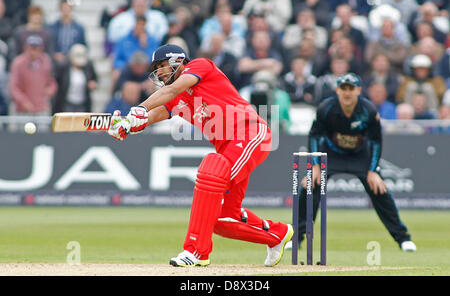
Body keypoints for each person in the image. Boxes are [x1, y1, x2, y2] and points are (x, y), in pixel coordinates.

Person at [107, 44, 293, 267]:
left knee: (211, 174)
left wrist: (140, 108)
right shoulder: (176, 97)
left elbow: (168, 93)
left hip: (250, 132)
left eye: (162, 66)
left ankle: (196, 251)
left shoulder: (200, 66)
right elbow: (156, 113)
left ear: (178, 61)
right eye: (156, 69)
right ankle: (277, 234)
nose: (159, 73)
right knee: (222, 219)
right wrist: (128, 123)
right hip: (227, 148)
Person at [286, 73, 416, 252]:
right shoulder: (326, 108)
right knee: (310, 187)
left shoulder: (368, 111)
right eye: (344, 89)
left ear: (358, 90)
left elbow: (376, 141)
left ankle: (403, 239)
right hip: (330, 153)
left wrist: (373, 171)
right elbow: (315, 135)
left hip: (359, 155)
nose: (347, 93)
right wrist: (315, 166)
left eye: (351, 89)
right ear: (337, 90)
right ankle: (297, 239)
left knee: (380, 190)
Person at [53, 44, 97, 113]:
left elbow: (94, 79)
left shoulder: (88, 67)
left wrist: (92, 84)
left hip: (82, 103)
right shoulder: (63, 67)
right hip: (67, 102)